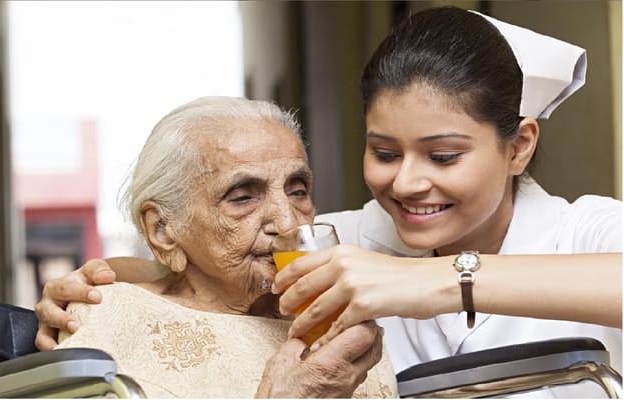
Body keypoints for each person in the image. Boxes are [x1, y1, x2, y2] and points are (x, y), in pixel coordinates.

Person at [36, 6, 621, 397]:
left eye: (443, 156)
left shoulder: (586, 233)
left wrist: (435, 281)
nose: (408, 184)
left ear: (518, 147)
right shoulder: (340, 241)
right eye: (385, 153)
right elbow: (226, 260)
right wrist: (119, 286)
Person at [52, 96, 397, 398]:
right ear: (163, 230)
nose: (291, 223)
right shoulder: (112, 320)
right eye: (243, 197)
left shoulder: (342, 318)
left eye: (298, 190)